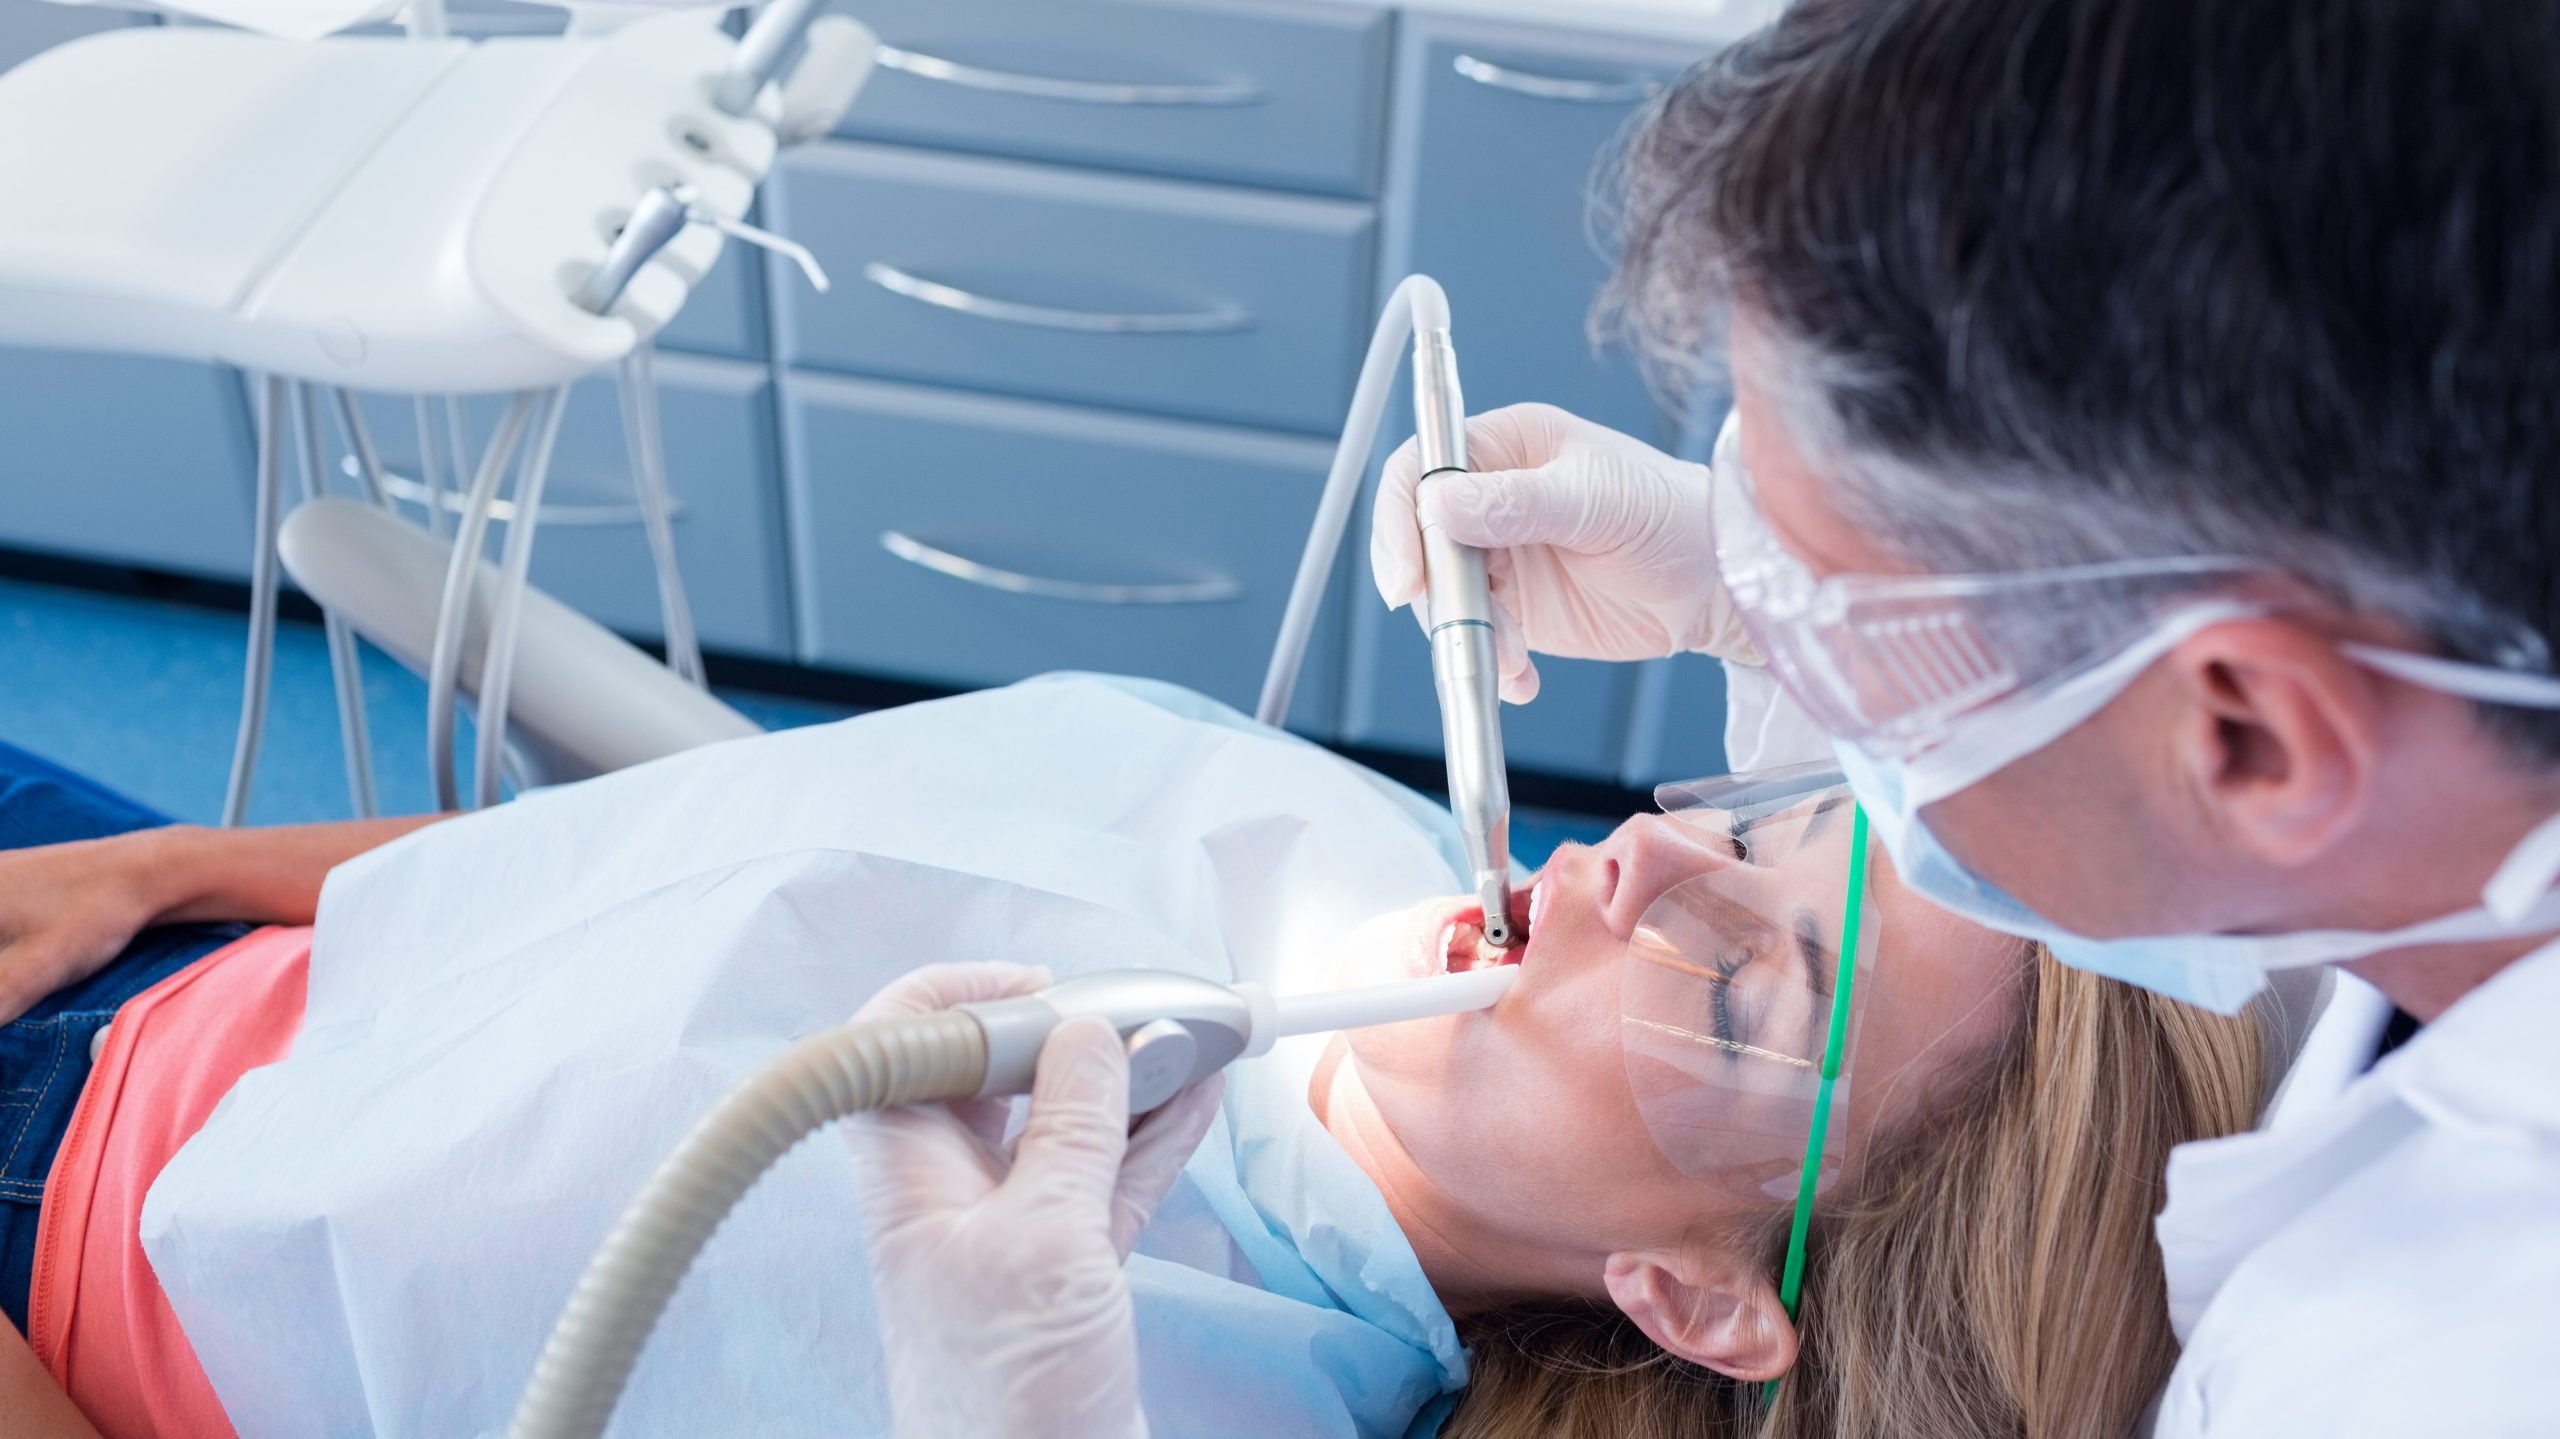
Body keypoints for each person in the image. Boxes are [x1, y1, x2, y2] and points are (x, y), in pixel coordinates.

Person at [0, 677, 2265, 1438]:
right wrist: (169, 869)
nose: (1631, 862)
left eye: (1739, 985)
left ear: (1701, 1293)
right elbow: (677, 841)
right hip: (176, 933)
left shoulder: (1106, 1395)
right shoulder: (1331, 831)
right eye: (1752, 824)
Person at [1366, 1, 2560, 1433]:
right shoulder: (2432, 777)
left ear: (2248, 738)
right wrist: (1746, 594)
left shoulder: (2437, 1376)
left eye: (1833, 614)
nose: (1631, 850)